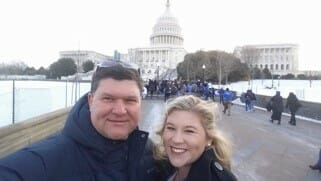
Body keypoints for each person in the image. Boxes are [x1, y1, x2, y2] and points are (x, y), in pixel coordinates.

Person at [0, 61, 158, 180]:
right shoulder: (45, 160)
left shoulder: (149, 151)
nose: (119, 111)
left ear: (140, 104)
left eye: (130, 100)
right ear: (91, 100)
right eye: (108, 99)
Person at [153, 95, 237, 181]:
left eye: (189, 131)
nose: (176, 139)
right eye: (171, 128)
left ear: (209, 138)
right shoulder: (160, 167)